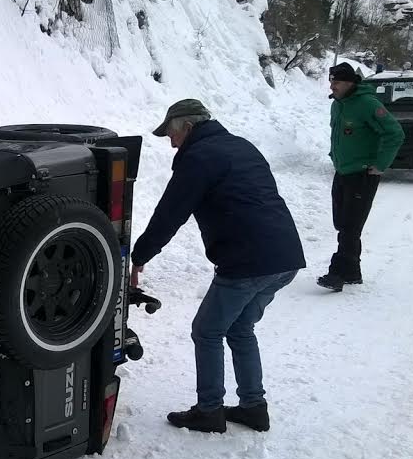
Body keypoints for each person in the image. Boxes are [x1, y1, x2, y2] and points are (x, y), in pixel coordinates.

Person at [130, 99, 306, 433]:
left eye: (172, 134)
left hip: (248, 260)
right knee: (240, 328)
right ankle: (254, 407)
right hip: (284, 257)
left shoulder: (199, 157)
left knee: (207, 331)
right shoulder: (240, 145)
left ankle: (209, 411)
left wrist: (139, 256)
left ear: (189, 127)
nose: (171, 143)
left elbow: (170, 213)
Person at [318, 62, 403, 291]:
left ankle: (337, 273)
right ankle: (353, 273)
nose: (332, 86)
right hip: (343, 172)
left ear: (350, 83)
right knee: (341, 222)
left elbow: (395, 133)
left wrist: (381, 164)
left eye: (337, 82)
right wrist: (334, 155)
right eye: (331, 81)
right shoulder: (337, 105)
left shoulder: (367, 104)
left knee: (350, 226)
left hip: (363, 174)